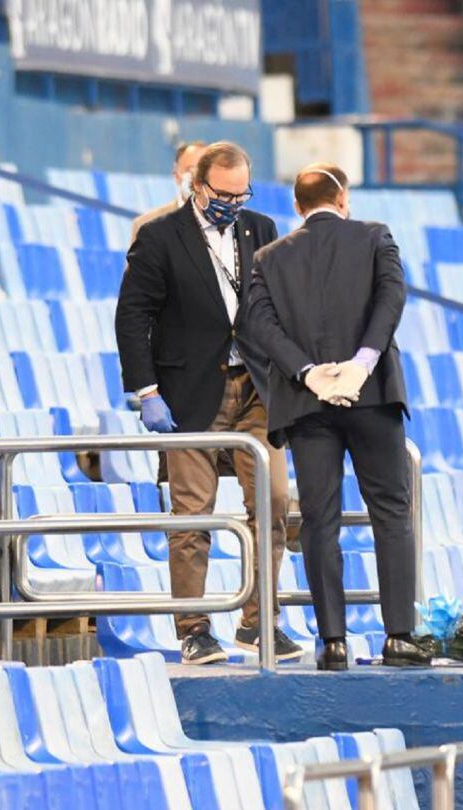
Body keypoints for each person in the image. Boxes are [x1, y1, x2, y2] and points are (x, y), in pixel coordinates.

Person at [115, 142, 303, 665]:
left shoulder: (260, 229)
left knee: (272, 506)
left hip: (259, 390)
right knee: (191, 517)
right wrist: (147, 391)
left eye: (242, 193)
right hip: (190, 393)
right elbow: (132, 317)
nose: (233, 203)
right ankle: (193, 628)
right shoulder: (159, 238)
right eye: (223, 194)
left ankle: (259, 620)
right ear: (198, 186)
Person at [247, 163, 432, 671]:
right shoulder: (375, 236)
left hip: (307, 405)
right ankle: (398, 636)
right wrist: (362, 363)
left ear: (297, 207)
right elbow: (392, 297)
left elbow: (257, 323)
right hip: (371, 397)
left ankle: (332, 643)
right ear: (343, 198)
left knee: (320, 521)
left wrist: (308, 373)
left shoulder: (269, 257)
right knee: (391, 512)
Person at [130, 140, 207, 243]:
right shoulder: (146, 225)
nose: (197, 177)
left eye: (204, 171)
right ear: (176, 175)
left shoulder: (228, 225)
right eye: (191, 170)